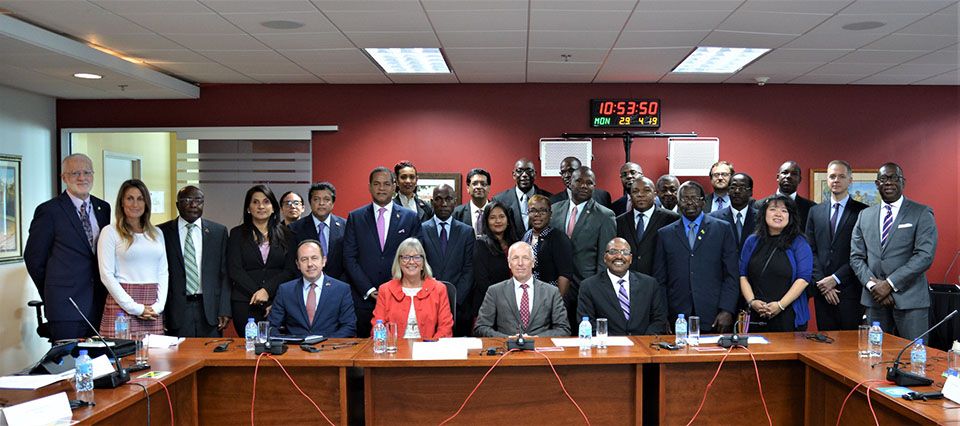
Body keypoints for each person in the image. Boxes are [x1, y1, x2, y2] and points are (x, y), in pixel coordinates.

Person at [24, 154, 111, 340]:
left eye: (87, 172)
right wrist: (52, 291)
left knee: (101, 364)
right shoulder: (49, 211)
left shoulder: (103, 208)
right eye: (75, 173)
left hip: (99, 305)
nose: (82, 178)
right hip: (64, 307)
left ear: (93, 175)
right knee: (66, 364)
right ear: (64, 178)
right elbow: (34, 259)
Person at [851, 163, 937, 340]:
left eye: (894, 178)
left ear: (903, 182)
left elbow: (924, 256)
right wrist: (874, 287)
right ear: (877, 184)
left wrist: (889, 284)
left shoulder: (921, 213)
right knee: (873, 361)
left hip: (910, 301)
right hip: (874, 300)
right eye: (883, 179)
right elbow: (856, 257)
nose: (888, 182)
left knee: (913, 359)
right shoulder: (864, 216)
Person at [344, 167, 422, 337]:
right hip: (363, 298)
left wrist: (395, 286)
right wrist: (369, 289)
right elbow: (349, 258)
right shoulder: (355, 217)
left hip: (399, 295)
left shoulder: (410, 217)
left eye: (387, 183)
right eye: (377, 184)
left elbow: (416, 258)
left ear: (394, 186)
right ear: (369, 187)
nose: (381, 188)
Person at [653, 181, 739, 333]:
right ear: (678, 203)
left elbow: (731, 274)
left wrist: (727, 310)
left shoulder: (722, 229)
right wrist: (662, 316)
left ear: (703, 201)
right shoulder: (664, 234)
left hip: (714, 315)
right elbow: (660, 280)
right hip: (677, 316)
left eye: (694, 198)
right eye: (685, 199)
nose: (690, 202)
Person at [97, 179, 168, 336]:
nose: (135, 204)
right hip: (122, 306)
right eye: (130, 198)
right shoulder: (109, 232)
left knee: (154, 357)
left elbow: (163, 272)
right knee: (120, 357)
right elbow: (106, 275)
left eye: (140, 198)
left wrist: (158, 306)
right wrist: (135, 308)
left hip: (152, 308)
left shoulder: (157, 233)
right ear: (121, 202)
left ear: (146, 203)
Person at [158, 186, 231, 337]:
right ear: (177, 205)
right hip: (176, 310)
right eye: (187, 200)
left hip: (209, 310)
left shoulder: (218, 232)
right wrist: (161, 312)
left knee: (211, 357)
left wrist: (224, 309)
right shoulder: (161, 232)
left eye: (198, 200)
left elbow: (225, 274)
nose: (193, 205)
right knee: (178, 358)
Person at [549, 166, 616, 328]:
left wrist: (597, 289)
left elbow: (604, 259)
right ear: (570, 183)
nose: (584, 186)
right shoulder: (554, 210)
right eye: (579, 181)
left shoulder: (605, 215)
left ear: (595, 186)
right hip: (556, 287)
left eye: (589, 183)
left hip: (587, 287)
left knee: (584, 334)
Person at [226, 185, 297, 337]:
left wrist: (267, 292)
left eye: (266, 202)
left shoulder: (288, 234)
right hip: (245, 303)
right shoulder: (237, 234)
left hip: (278, 302)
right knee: (249, 349)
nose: (261, 206)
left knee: (279, 348)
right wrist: (259, 295)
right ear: (248, 208)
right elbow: (235, 270)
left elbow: (290, 270)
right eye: (255, 202)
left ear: (273, 208)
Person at [805, 161, 868, 331]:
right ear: (827, 179)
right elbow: (810, 250)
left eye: (841, 176)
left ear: (850, 180)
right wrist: (823, 283)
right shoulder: (815, 211)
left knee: (849, 346)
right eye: (832, 176)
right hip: (822, 291)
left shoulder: (863, 212)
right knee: (825, 345)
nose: (836, 180)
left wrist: (835, 279)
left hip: (850, 290)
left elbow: (863, 253)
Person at [739, 195, 813, 332]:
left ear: (790, 216)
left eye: (784, 211)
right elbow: (743, 275)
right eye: (773, 209)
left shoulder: (799, 242)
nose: (778, 214)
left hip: (788, 314)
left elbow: (803, 279)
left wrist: (780, 305)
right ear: (764, 213)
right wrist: (752, 302)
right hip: (756, 313)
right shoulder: (752, 241)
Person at [474, 242, 570, 337]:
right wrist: (507, 339)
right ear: (509, 263)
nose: (520, 263)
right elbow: (481, 328)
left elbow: (563, 329)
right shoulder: (494, 291)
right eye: (515, 258)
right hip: (507, 349)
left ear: (533, 262)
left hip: (540, 349)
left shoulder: (551, 292)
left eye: (525, 258)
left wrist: (537, 339)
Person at [578, 238, 668, 335]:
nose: (619, 256)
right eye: (613, 252)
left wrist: (640, 343)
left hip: (643, 346)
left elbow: (659, 320)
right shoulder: (588, 286)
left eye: (625, 252)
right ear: (604, 257)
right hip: (608, 346)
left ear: (631, 259)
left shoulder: (650, 284)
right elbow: (588, 324)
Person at [268, 240, 356, 337]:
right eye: (304, 259)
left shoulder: (341, 289)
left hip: (330, 349)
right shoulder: (285, 290)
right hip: (295, 349)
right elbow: (272, 326)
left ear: (323, 261)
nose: (310, 264)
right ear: (297, 264)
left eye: (314, 258)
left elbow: (349, 326)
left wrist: (327, 345)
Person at [418, 184, 474, 336]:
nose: (443, 204)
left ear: (455, 202)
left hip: (459, 306)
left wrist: (453, 299)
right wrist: (432, 298)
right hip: (427, 302)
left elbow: (468, 269)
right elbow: (418, 267)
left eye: (448, 199)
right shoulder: (421, 229)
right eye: (439, 199)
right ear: (431, 202)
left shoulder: (467, 231)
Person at [372, 238, 453, 339]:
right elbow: (378, 325)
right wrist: (392, 346)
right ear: (399, 263)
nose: (411, 262)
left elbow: (445, 327)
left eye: (417, 257)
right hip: (393, 350)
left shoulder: (439, 289)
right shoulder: (385, 289)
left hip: (429, 350)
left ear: (423, 263)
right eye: (406, 257)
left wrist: (431, 347)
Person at [616, 177, 679, 275]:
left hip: (659, 281)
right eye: (635, 191)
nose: (640, 195)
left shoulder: (671, 219)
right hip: (628, 281)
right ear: (630, 196)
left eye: (646, 190)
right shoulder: (619, 221)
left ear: (655, 195)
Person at [471, 201, 519, 321]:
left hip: (515, 303)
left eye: (501, 216)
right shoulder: (481, 244)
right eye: (492, 217)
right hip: (489, 305)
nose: (498, 221)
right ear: (486, 221)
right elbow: (482, 281)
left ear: (508, 220)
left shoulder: (516, 243)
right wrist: (501, 302)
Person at [289, 182, 347, 280]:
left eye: (326, 199)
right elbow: (292, 263)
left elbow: (349, 260)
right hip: (305, 285)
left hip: (339, 286)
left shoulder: (345, 226)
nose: (321, 203)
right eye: (316, 199)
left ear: (333, 203)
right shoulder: (294, 228)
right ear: (310, 202)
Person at [521, 194, 574, 300]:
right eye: (533, 210)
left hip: (550, 296)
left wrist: (557, 302)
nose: (537, 214)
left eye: (543, 211)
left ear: (550, 214)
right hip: (529, 295)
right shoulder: (526, 236)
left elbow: (565, 275)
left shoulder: (559, 238)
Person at [493, 158, 551, 232]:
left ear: (535, 174)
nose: (524, 175)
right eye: (520, 171)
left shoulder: (549, 199)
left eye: (529, 171)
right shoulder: (500, 200)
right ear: (514, 175)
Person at [709, 172, 758, 251]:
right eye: (733, 187)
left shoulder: (761, 218)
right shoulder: (714, 218)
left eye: (742, 188)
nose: (737, 191)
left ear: (751, 192)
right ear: (728, 191)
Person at [765, 161, 816, 232]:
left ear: (800, 180)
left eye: (794, 174)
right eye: (785, 173)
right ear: (777, 177)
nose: (788, 176)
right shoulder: (761, 205)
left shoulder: (811, 208)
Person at [452, 168, 490, 236]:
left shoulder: (497, 211)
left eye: (483, 184)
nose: (479, 187)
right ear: (468, 188)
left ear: (489, 188)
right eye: (475, 184)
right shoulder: (457, 213)